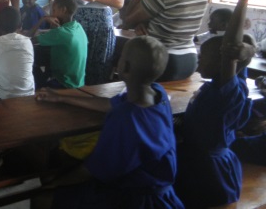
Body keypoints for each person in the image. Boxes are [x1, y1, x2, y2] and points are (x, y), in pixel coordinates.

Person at [35, 36, 184, 209]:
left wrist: (56, 183)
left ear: (125, 67)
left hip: (136, 198)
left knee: (44, 197)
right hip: (162, 192)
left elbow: (91, 170)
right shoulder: (159, 94)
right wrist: (60, 97)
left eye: (121, 57)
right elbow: (110, 104)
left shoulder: (125, 118)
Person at [174, 0, 262, 208]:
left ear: (225, 60)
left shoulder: (226, 90)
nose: (198, 61)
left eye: (204, 58)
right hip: (202, 160)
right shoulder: (221, 86)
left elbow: (230, 47)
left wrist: (242, 2)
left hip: (209, 170)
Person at [30, 0, 87, 89]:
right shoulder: (78, 27)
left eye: (54, 10)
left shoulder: (61, 33)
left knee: (32, 66)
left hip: (64, 83)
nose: (52, 14)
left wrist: (42, 19)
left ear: (63, 10)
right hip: (78, 82)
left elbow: (29, 40)